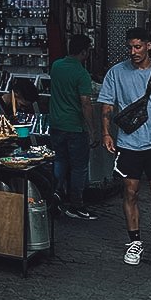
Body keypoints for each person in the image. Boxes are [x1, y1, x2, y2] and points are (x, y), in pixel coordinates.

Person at [98, 28, 151, 265]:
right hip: (128, 143)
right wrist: (106, 133)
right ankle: (135, 241)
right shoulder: (116, 73)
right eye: (130, 47)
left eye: (137, 47)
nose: (133, 52)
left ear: (148, 46)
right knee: (130, 191)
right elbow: (107, 105)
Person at [49, 35, 98, 220]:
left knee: (60, 161)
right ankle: (76, 204)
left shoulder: (56, 66)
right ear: (84, 52)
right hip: (75, 126)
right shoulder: (81, 74)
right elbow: (86, 103)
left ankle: (56, 193)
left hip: (56, 123)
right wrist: (93, 131)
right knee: (79, 167)